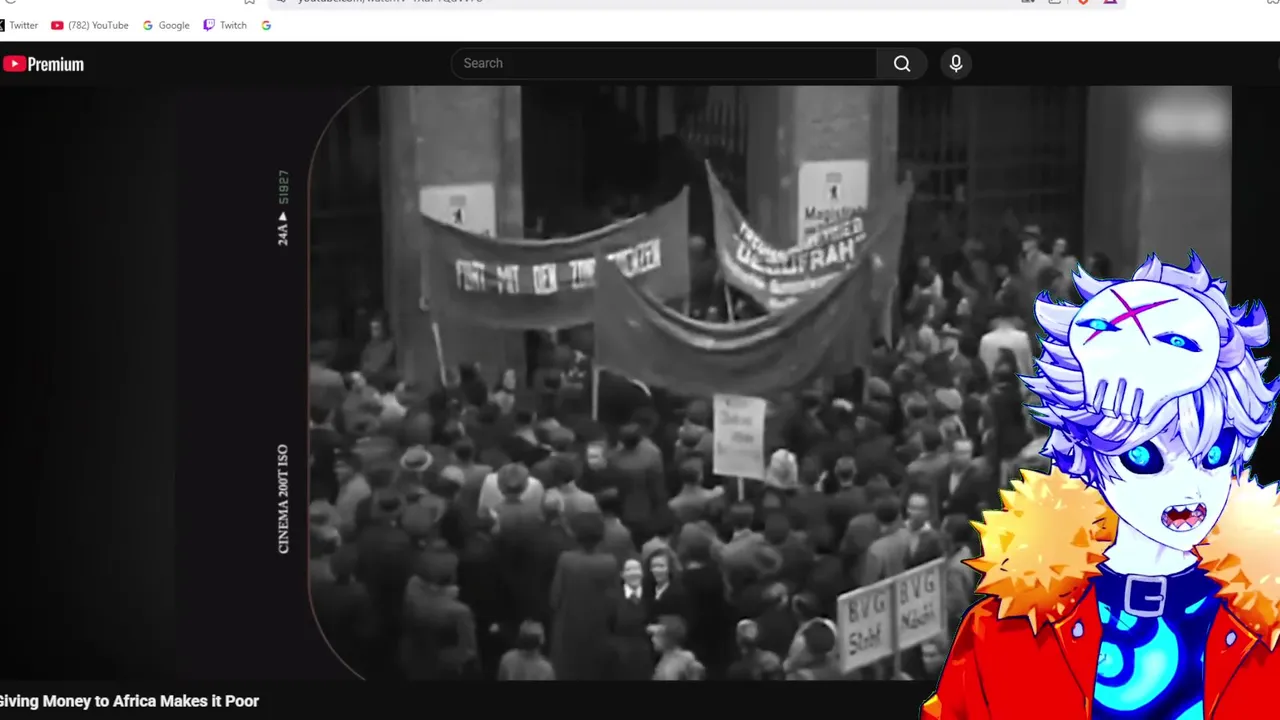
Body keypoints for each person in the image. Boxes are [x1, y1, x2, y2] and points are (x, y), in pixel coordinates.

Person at [927, 253, 1278, 719]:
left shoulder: (1265, 625)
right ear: (1083, 454)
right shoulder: (1008, 630)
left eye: (1215, 452)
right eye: (1144, 456)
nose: (1189, 488)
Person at [548, 512, 618, 681]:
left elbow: (555, 598)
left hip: (568, 630)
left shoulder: (566, 560)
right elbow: (614, 601)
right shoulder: (610, 562)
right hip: (598, 630)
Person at [609, 557, 656, 680]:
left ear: (643, 573)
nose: (633, 572)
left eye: (637, 569)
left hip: (648, 659)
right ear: (622, 574)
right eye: (629, 569)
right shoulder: (613, 598)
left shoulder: (651, 596)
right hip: (621, 660)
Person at [651, 615, 706, 680]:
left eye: (658, 635)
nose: (653, 639)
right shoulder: (664, 660)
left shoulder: (685, 660)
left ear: (669, 637)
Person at [359, 314, 397, 386]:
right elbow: (363, 364)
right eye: (372, 328)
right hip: (368, 381)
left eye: (376, 328)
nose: (373, 332)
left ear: (384, 329)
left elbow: (378, 367)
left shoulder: (389, 344)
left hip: (384, 383)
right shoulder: (369, 345)